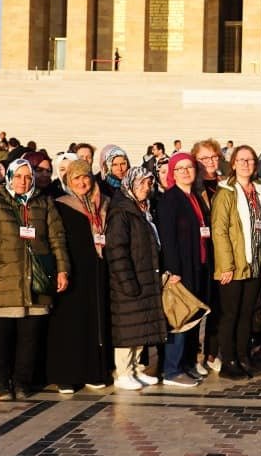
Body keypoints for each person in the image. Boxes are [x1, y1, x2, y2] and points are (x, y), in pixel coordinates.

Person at [0, 156, 68, 400]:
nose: (23, 182)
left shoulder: (44, 203)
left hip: (35, 279)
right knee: (0, 335)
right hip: (2, 278)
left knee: (29, 336)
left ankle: (22, 381)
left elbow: (56, 239)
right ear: (9, 178)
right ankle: (0, 382)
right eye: (18, 177)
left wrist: (62, 269)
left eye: (28, 177)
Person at [49, 158, 114, 393]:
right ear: (68, 181)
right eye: (76, 178)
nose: (82, 182)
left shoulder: (103, 204)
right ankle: (67, 374)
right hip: (71, 270)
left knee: (93, 322)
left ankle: (93, 371)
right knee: (70, 323)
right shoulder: (60, 205)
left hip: (97, 271)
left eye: (86, 176)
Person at [105, 165, 167, 390]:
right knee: (127, 328)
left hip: (146, 275)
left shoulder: (144, 208)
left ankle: (135, 369)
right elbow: (117, 250)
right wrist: (127, 281)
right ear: (130, 184)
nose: (145, 187)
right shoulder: (121, 212)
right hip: (129, 280)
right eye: (141, 183)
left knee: (140, 327)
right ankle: (122, 372)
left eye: (148, 183)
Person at [211, 146, 261, 378]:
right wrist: (226, 265)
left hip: (254, 265)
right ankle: (229, 360)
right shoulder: (226, 192)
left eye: (250, 160)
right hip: (233, 266)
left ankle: (243, 356)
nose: (246, 164)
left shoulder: (260, 190)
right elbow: (220, 230)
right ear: (233, 163)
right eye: (241, 160)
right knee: (230, 315)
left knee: (247, 314)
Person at [157, 152, 212, 387]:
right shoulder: (171, 199)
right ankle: (172, 369)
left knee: (193, 317)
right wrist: (172, 269)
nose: (185, 171)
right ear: (172, 173)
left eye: (189, 167)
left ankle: (188, 363)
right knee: (180, 318)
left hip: (197, 264)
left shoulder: (195, 197)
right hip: (181, 267)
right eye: (179, 168)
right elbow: (167, 237)